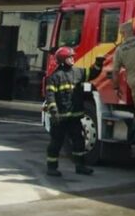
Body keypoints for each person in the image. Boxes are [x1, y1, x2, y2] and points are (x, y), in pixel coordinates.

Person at [44, 46, 103, 177]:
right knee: (56, 143)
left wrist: (98, 64)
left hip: (74, 117)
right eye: (70, 57)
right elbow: (50, 95)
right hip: (60, 118)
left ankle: (80, 166)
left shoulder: (77, 72)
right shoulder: (55, 77)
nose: (72, 59)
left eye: (72, 57)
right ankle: (51, 167)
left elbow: (92, 73)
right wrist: (54, 111)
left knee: (79, 141)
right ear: (63, 60)